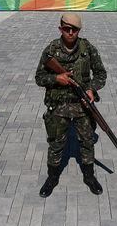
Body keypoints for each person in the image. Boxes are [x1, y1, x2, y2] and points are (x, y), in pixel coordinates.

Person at [35, 13, 107, 197]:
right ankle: (52, 178)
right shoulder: (51, 50)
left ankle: (89, 176)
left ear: (78, 31)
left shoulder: (87, 48)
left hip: (83, 107)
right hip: (58, 108)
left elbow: (101, 74)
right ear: (60, 29)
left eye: (74, 29)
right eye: (66, 29)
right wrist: (56, 78)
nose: (70, 33)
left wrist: (91, 89)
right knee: (56, 144)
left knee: (87, 142)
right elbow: (39, 78)